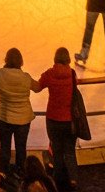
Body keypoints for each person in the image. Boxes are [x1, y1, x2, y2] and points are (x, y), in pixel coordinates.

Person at [0, 47, 37, 188]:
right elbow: (37, 87)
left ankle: (4, 171)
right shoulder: (26, 77)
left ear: (6, 59)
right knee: (21, 147)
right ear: (21, 61)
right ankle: (21, 171)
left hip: (5, 116)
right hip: (23, 118)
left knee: (5, 146)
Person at [35, 48, 77, 192]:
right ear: (68, 59)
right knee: (70, 151)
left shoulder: (49, 74)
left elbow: (38, 87)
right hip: (70, 119)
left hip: (53, 118)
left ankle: (58, 181)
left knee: (57, 151)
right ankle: (73, 179)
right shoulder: (72, 74)